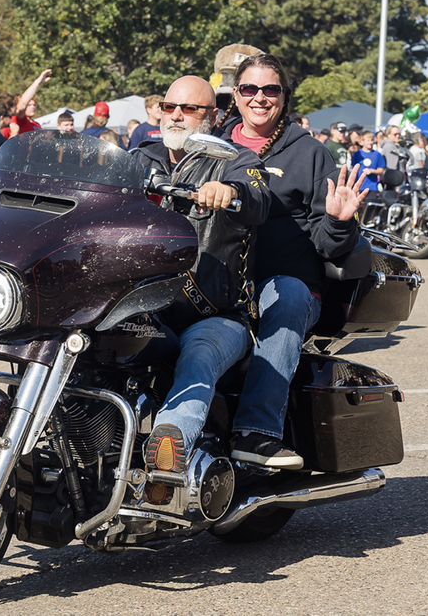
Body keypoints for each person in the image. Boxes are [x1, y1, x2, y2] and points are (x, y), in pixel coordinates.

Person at [217, 54, 366, 468]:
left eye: (271, 90)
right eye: (249, 89)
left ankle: (256, 432)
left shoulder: (310, 154)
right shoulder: (212, 145)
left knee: (289, 296)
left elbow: (328, 244)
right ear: (236, 94)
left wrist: (339, 220)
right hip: (215, 283)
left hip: (284, 282)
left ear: (284, 97)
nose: (259, 98)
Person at [133, 75, 270, 478]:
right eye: (168, 107)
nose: (175, 116)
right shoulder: (139, 158)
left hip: (215, 314)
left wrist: (229, 192)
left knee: (199, 355)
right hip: (139, 305)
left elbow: (257, 198)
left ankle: (169, 439)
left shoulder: (236, 161)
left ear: (211, 116)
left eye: (189, 109)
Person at [8, 69, 51, 139]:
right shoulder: (19, 119)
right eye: (29, 105)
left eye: (34, 105)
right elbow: (23, 103)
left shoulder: (36, 124)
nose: (33, 107)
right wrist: (38, 82)